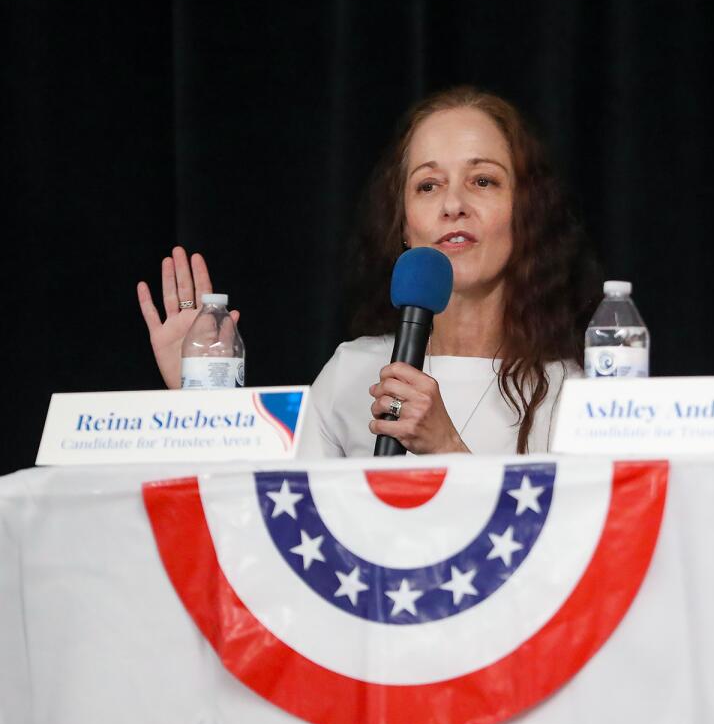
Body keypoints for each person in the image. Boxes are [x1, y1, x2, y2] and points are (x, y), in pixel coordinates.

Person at [137, 86, 599, 456]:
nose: (454, 205)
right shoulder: (353, 371)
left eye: (482, 181)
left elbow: (569, 556)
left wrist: (446, 448)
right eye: (428, 185)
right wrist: (201, 402)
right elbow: (273, 530)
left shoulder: (573, 393)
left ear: (526, 212)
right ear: (403, 225)